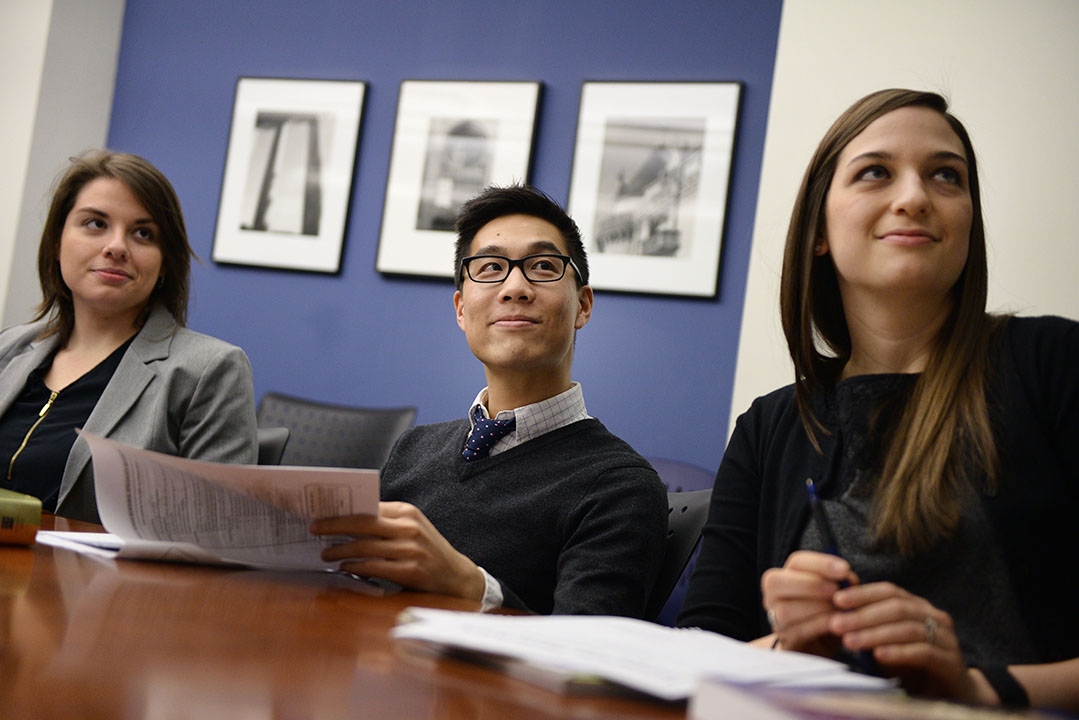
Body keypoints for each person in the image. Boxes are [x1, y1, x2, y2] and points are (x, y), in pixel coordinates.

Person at [677, 89, 1078, 712]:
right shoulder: (770, 425)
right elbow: (700, 648)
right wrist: (793, 648)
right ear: (818, 231)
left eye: (947, 175)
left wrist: (977, 685)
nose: (915, 196)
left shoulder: (1053, 361)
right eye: (875, 172)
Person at [312, 184, 667, 617]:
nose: (515, 287)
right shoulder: (412, 450)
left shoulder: (619, 486)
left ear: (583, 307)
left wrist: (470, 586)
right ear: (461, 310)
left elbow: (584, 663)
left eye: (542, 266)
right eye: (491, 267)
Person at [0, 150, 258, 524]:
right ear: (56, 242)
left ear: (165, 261)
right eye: (95, 224)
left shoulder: (208, 370)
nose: (116, 247)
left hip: (99, 582)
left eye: (142, 233)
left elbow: (220, 531)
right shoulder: (9, 347)